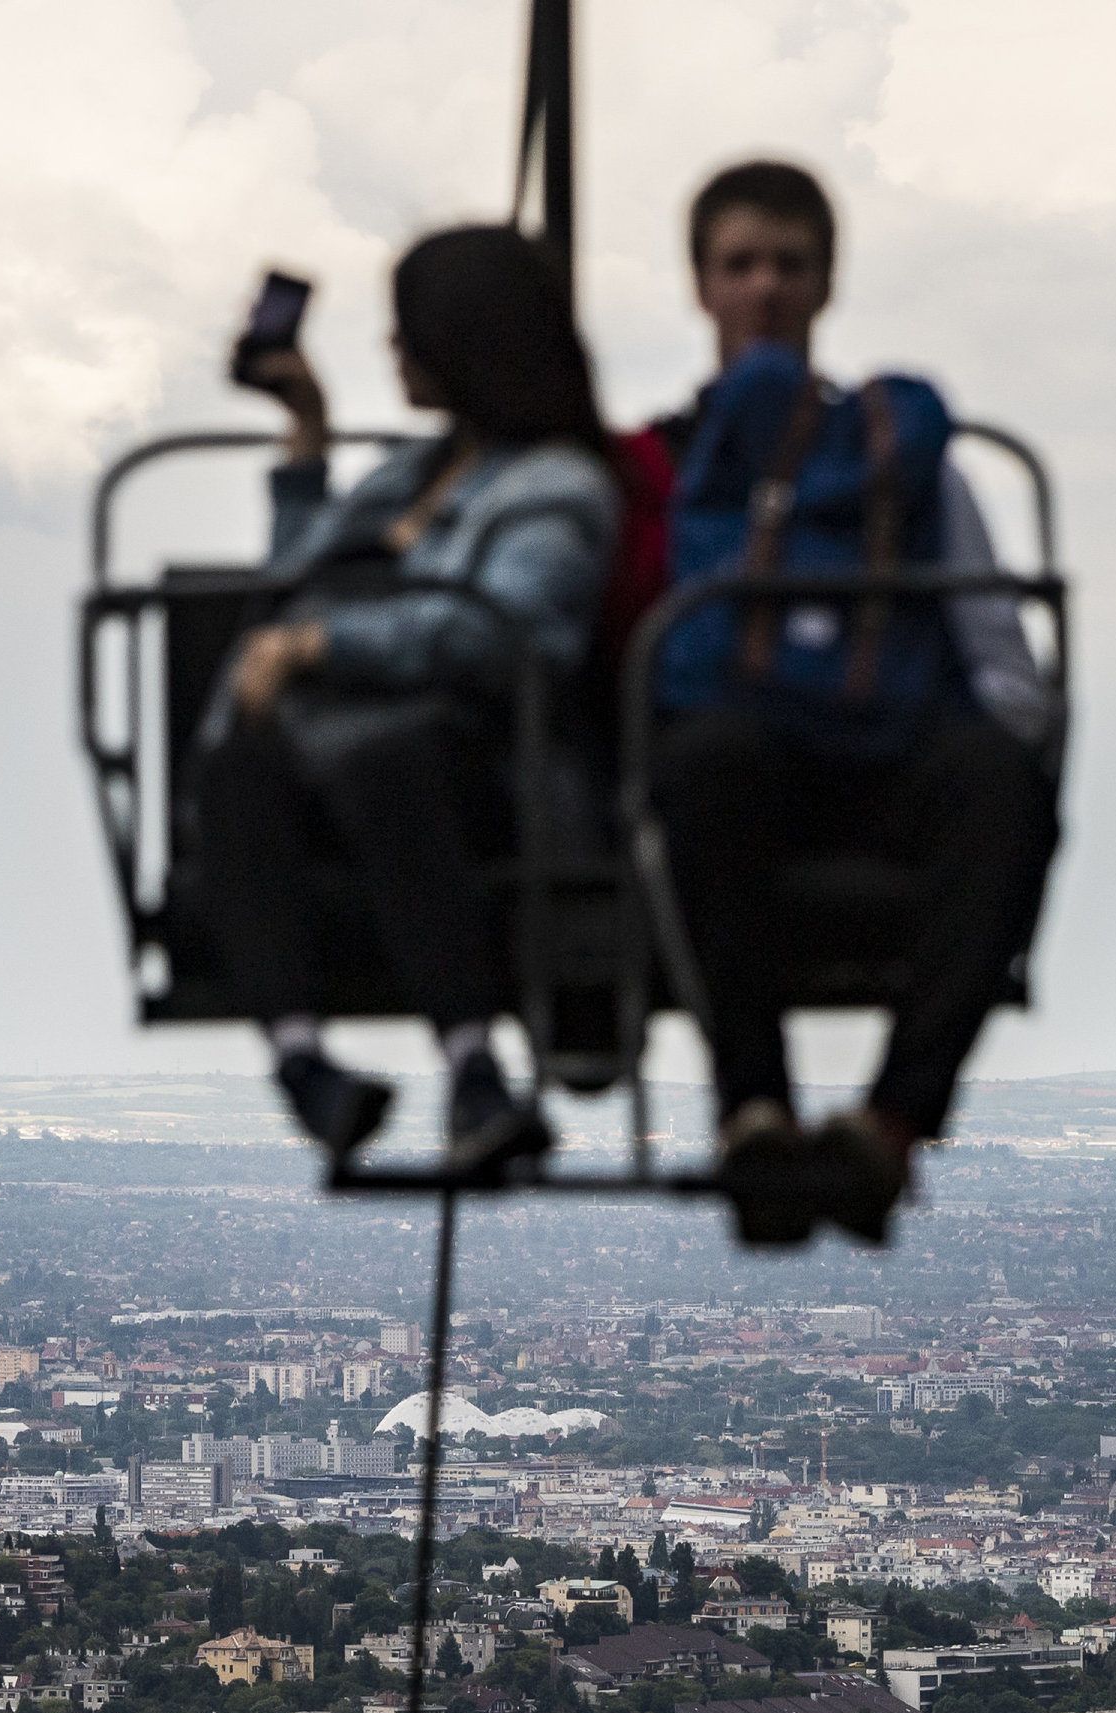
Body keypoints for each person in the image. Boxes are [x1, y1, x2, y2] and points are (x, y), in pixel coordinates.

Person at [637, 161, 1059, 1245]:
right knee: (705, 764)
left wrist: (998, 766)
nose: (766, 289)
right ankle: (755, 1110)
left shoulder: (900, 463)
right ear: (702, 285)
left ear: (824, 285)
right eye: (742, 265)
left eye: (788, 264)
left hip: (885, 768)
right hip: (740, 775)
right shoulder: (664, 466)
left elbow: (999, 661)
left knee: (1002, 784)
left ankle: (892, 1122)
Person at [193, 225, 619, 1171]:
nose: (392, 351)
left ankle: (472, 1068)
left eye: (406, 331)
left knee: (384, 758)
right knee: (238, 769)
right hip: (335, 756)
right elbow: (294, 586)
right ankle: (303, 1065)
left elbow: (504, 633)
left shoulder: (559, 487)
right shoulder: (400, 477)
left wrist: (321, 646)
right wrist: (305, 434)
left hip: (474, 764)